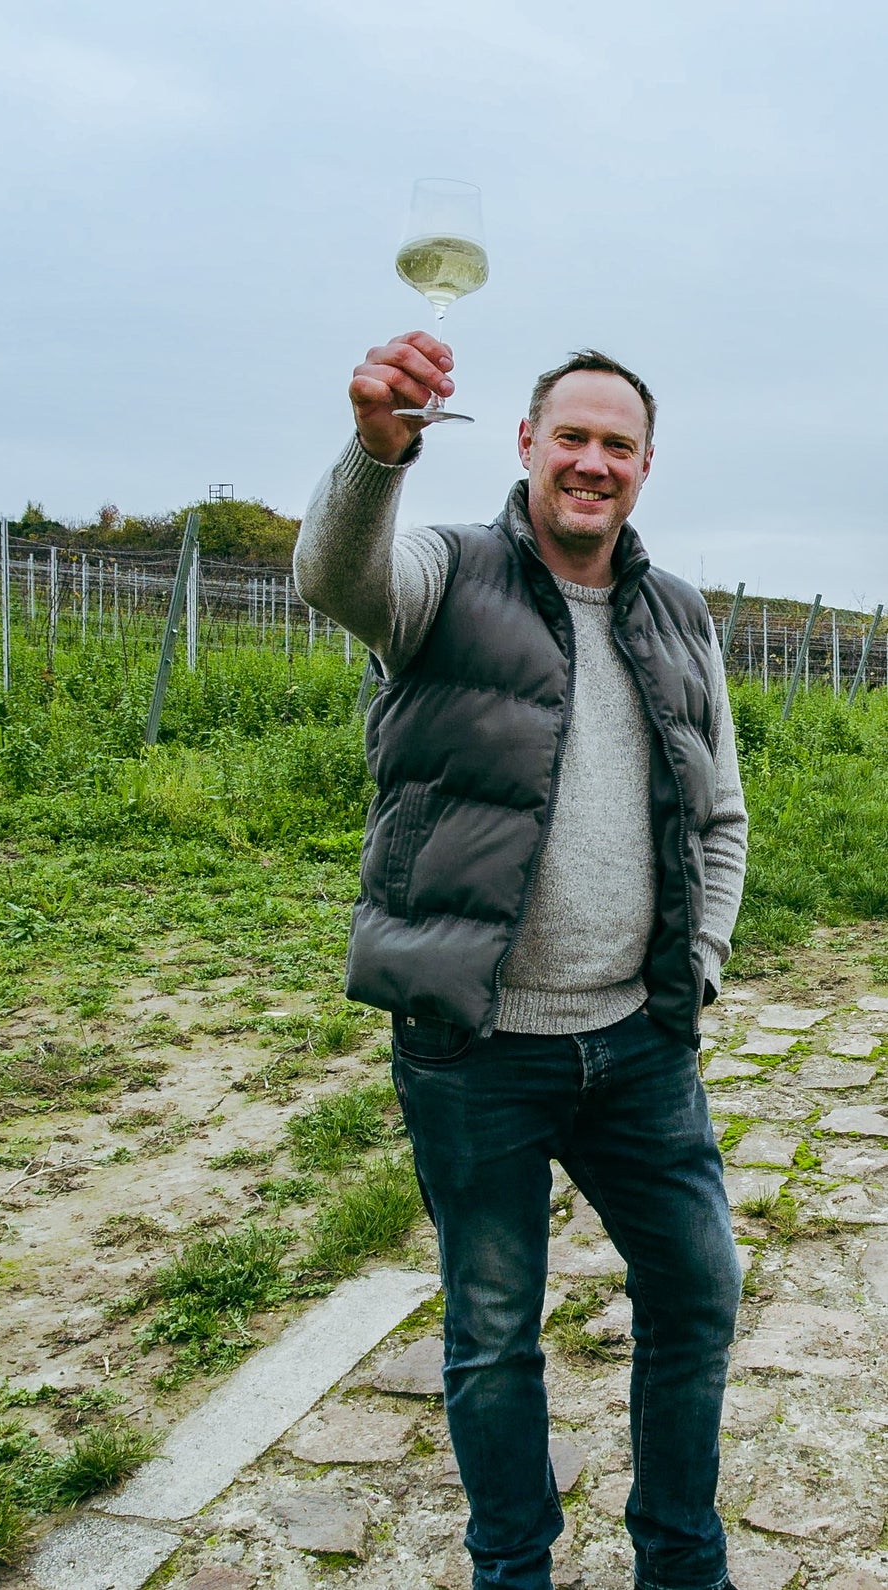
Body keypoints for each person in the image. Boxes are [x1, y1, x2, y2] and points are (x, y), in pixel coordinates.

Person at [293, 331, 748, 1590]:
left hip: (638, 1044)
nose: (590, 462)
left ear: (645, 465)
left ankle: (680, 1563)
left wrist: (694, 967)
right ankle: (514, 1572)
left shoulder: (674, 613)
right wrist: (373, 452)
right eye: (570, 437)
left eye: (616, 444)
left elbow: (718, 813)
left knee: (696, 1297)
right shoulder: (445, 573)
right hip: (471, 1046)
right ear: (524, 447)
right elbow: (337, 582)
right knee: (493, 1335)